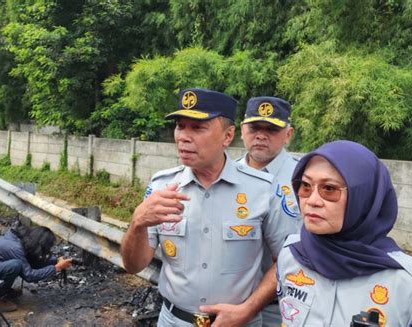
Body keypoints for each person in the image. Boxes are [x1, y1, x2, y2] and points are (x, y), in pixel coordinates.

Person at [121, 88, 301, 326]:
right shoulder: (161, 186)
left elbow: (287, 260)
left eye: (197, 128)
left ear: (227, 136)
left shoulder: (262, 189)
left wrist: (248, 309)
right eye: (180, 126)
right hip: (173, 320)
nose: (183, 137)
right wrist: (137, 224)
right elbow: (134, 266)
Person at [276, 140, 412, 326]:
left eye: (329, 189)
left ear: (363, 197)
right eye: (305, 186)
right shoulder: (291, 256)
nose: (312, 200)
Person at [239, 96, 301, 326]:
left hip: (286, 306)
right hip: (234, 305)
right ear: (242, 130)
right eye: (254, 127)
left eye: (272, 129)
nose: (261, 135)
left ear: (288, 135)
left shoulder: (305, 178)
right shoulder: (228, 176)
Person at [0, 225, 72, 312]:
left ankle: (4, 290)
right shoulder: (14, 248)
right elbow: (30, 276)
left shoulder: (19, 240)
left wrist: (54, 261)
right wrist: (57, 267)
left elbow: (31, 260)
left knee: (18, 263)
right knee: (15, 265)